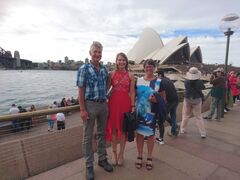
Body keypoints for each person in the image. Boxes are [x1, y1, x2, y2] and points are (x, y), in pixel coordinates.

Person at [76, 41, 113, 180]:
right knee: (87, 137)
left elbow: (108, 84)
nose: (97, 54)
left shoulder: (104, 69)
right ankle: (89, 166)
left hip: (103, 105)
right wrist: (82, 109)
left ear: (101, 54)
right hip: (90, 105)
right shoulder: (83, 69)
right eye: (95, 52)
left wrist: (106, 96)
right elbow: (80, 90)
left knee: (102, 133)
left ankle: (102, 159)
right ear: (90, 53)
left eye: (99, 52)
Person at [135, 59, 165, 170]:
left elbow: (163, 99)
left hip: (152, 113)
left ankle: (149, 157)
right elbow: (134, 95)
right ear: (144, 68)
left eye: (151, 66)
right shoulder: (138, 81)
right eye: (147, 66)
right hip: (140, 112)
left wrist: (156, 100)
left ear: (154, 68)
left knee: (151, 135)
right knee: (139, 135)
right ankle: (139, 155)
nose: (149, 68)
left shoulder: (158, 82)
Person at [106, 52, 135, 166]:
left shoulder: (131, 75)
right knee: (113, 129)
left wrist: (132, 106)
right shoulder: (111, 74)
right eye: (119, 60)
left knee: (123, 130)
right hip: (113, 104)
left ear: (126, 62)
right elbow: (107, 90)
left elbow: (132, 92)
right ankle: (113, 153)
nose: (121, 62)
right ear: (116, 61)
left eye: (123, 60)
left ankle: (121, 154)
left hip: (125, 104)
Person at [180, 67, 206, 138]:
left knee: (185, 115)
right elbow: (203, 87)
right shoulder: (199, 82)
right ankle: (203, 133)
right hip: (197, 100)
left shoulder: (186, 81)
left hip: (188, 99)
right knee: (198, 117)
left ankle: (183, 129)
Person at [158, 70, 179, 137]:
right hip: (176, 99)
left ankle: (173, 126)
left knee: (163, 114)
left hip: (169, 101)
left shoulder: (159, 81)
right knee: (173, 115)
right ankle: (174, 131)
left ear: (159, 75)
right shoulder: (168, 79)